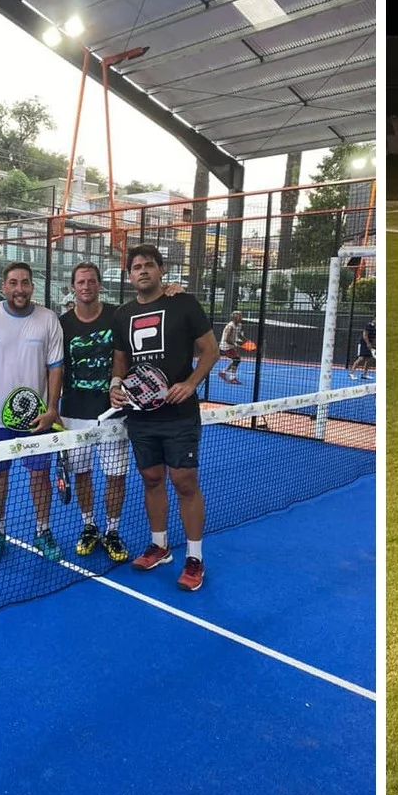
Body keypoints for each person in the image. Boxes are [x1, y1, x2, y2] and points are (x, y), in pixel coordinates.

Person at [111, 244, 217, 592]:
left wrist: (190, 383)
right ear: (129, 276)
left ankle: (195, 558)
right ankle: (159, 546)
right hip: (140, 416)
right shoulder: (123, 314)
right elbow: (121, 360)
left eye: (148, 265)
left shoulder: (183, 303)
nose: (142, 271)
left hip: (179, 415)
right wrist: (116, 385)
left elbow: (211, 350)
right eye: (136, 267)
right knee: (151, 478)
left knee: (184, 481)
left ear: (161, 270)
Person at [0, 262, 65, 561]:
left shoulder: (48, 319)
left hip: (35, 417)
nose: (19, 288)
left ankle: (43, 530)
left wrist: (52, 409)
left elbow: (55, 367)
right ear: (4, 286)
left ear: (32, 287)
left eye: (25, 282)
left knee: (39, 475)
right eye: (13, 282)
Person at [58, 262, 130, 562]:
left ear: (100, 285)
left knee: (115, 476)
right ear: (73, 287)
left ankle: (112, 531)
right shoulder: (62, 324)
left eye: (91, 281)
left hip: (112, 414)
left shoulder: (117, 315)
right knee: (82, 474)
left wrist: (116, 383)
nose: (86, 286)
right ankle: (89, 526)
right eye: (80, 282)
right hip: (73, 413)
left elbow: (121, 356)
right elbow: (55, 368)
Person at [216, 310, 247, 384]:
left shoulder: (239, 325)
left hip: (231, 345)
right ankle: (232, 378)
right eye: (239, 316)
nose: (241, 317)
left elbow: (239, 335)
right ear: (234, 317)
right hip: (225, 346)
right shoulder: (230, 326)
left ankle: (223, 372)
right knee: (236, 359)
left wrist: (247, 342)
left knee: (236, 359)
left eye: (241, 315)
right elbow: (226, 339)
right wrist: (235, 344)